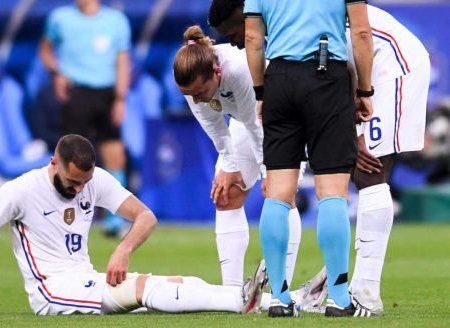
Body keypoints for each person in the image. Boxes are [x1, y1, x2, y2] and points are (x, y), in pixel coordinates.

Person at [0, 134, 269, 316]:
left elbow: (146, 216)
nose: (80, 190)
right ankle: (237, 299)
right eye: (72, 182)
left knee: (182, 282)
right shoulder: (21, 190)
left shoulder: (93, 181)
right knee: (145, 289)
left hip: (85, 278)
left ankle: (279, 301)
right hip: (51, 291)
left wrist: (124, 247)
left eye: (85, 182)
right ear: (53, 163)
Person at [243, 0, 374, 317]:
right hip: (326, 75)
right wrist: (365, 91)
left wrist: (261, 92)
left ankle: (279, 298)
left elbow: (251, 38)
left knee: (278, 192)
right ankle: (339, 299)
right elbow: (361, 33)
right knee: (332, 191)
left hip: (279, 78)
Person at [172, 25, 302, 290]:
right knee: (226, 194)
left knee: (281, 196)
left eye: (199, 93)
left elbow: (257, 124)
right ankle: (231, 294)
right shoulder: (191, 82)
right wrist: (230, 166)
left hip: (287, 118)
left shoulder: (239, 69)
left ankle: (281, 288)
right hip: (248, 121)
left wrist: (268, 172)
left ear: (217, 72)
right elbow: (215, 127)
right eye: (189, 96)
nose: (195, 101)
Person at [346, 4, 430, 315]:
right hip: (372, 65)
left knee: (369, 169)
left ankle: (366, 292)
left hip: (393, 63)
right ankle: (352, 285)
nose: (236, 40)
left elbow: (344, 66)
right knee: (355, 171)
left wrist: (353, 133)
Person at [39, 0, 130, 237]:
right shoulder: (59, 18)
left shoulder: (116, 21)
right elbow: (45, 50)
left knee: (115, 155)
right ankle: (62, 217)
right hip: (76, 91)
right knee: (69, 157)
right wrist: (57, 74)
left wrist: (121, 98)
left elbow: (122, 61)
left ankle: (113, 223)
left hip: (106, 93)